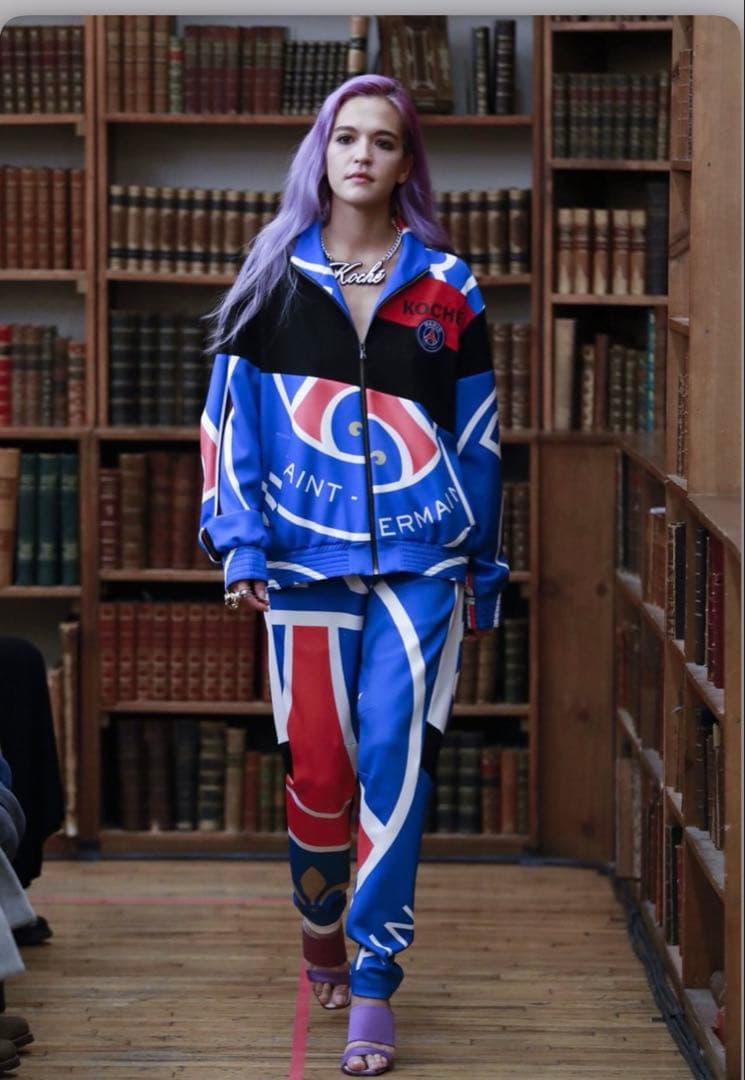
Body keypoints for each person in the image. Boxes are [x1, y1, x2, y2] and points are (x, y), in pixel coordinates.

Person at [199, 73, 509, 1077]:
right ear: (321, 155)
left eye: (382, 140)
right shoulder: (271, 277)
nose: (362, 155)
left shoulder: (448, 287)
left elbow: (477, 437)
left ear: (406, 161)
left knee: (393, 759)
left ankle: (374, 981)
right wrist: (240, 542)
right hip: (302, 562)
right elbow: (228, 426)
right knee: (321, 774)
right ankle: (319, 922)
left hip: (424, 563)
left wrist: (481, 561)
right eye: (345, 138)